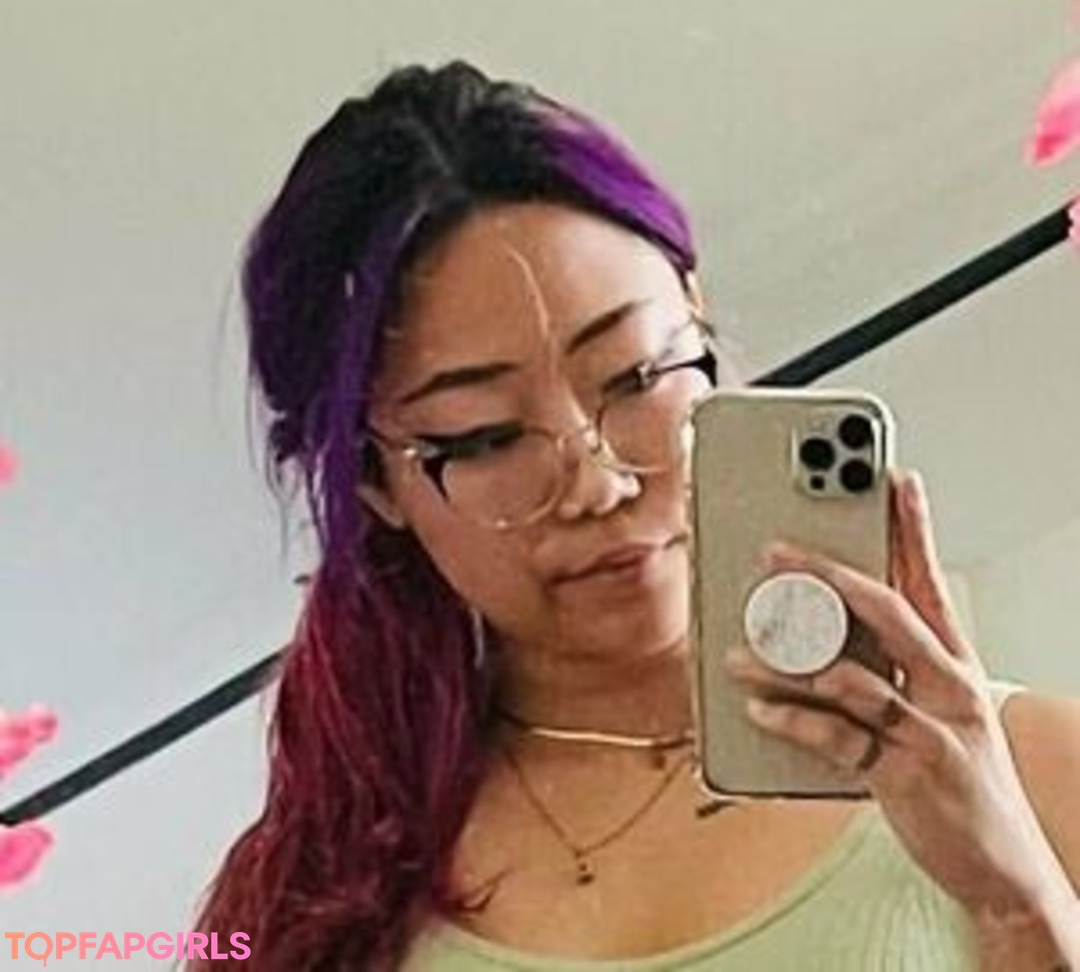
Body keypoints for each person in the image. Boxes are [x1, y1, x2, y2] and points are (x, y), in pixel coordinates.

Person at [190, 62, 1080, 970]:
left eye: (638, 376)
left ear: (696, 316)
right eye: (489, 437)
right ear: (373, 483)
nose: (599, 483)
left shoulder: (1038, 775)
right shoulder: (315, 898)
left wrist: (1017, 905)